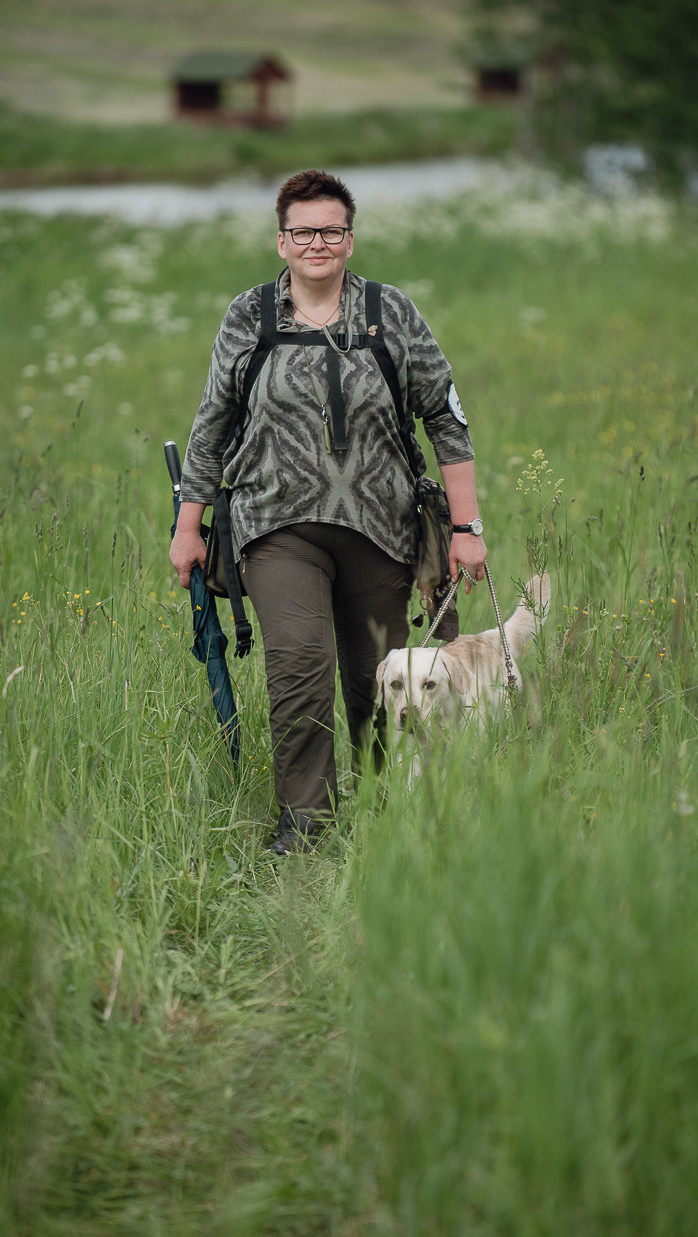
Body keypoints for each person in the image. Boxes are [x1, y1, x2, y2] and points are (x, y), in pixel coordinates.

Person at [170, 169, 487, 855]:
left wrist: (465, 530)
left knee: (380, 677)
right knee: (297, 667)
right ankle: (306, 824)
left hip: (382, 528)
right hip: (275, 527)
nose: (319, 242)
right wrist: (188, 525)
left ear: (350, 238)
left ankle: (385, 800)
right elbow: (211, 425)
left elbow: (447, 421)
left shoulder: (392, 312)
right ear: (282, 242)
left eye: (332, 230)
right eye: (303, 232)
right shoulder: (249, 317)